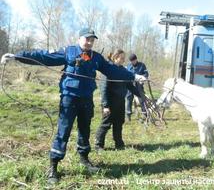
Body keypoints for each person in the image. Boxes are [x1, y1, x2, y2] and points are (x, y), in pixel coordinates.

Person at [0, 28, 146, 184]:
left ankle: (84, 159)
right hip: (69, 99)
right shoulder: (68, 52)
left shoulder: (96, 58)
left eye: (92, 40)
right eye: (87, 39)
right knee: (64, 131)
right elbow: (44, 56)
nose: (89, 42)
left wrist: (134, 76)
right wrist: (17, 56)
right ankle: (53, 167)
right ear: (79, 39)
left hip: (86, 99)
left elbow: (113, 71)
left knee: (84, 129)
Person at [95, 49, 141, 151]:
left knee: (119, 123)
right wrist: (105, 105)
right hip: (110, 102)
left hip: (120, 102)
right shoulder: (108, 70)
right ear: (115, 58)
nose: (124, 60)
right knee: (106, 124)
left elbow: (129, 85)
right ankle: (98, 145)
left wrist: (141, 95)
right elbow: (104, 89)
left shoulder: (123, 70)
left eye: (124, 58)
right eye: (122, 58)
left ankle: (119, 143)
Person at [125, 54, 149, 121]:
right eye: (131, 61)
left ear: (136, 59)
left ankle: (144, 113)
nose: (133, 62)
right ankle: (128, 114)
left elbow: (146, 74)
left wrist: (142, 78)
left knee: (141, 98)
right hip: (130, 85)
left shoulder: (142, 65)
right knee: (129, 99)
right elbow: (126, 74)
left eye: (134, 60)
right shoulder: (128, 66)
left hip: (139, 85)